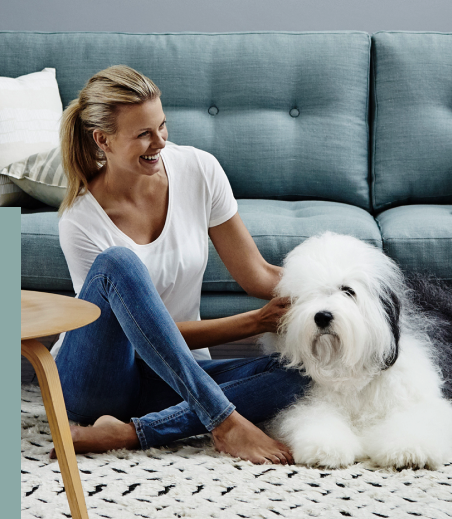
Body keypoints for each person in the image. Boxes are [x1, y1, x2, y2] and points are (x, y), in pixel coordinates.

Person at [54, 65, 307, 464]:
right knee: (119, 262)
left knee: (303, 376)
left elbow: (258, 274)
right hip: (97, 381)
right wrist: (254, 322)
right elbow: (139, 337)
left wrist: (336, 292)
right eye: (143, 134)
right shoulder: (81, 221)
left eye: (162, 126)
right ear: (103, 140)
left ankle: (133, 433)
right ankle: (224, 422)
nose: (160, 142)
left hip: (176, 379)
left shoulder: (199, 170)